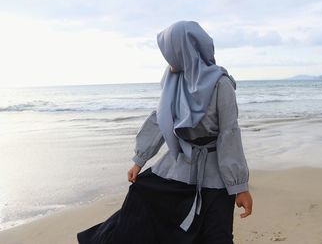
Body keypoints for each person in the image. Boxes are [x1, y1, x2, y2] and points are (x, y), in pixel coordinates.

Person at [77, 20, 253, 244]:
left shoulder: (221, 84)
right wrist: (139, 159)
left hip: (215, 176)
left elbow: (230, 134)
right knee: (142, 203)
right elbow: (160, 119)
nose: (168, 59)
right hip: (178, 168)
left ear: (183, 50)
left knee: (217, 237)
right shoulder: (172, 80)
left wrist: (239, 187)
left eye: (170, 52)